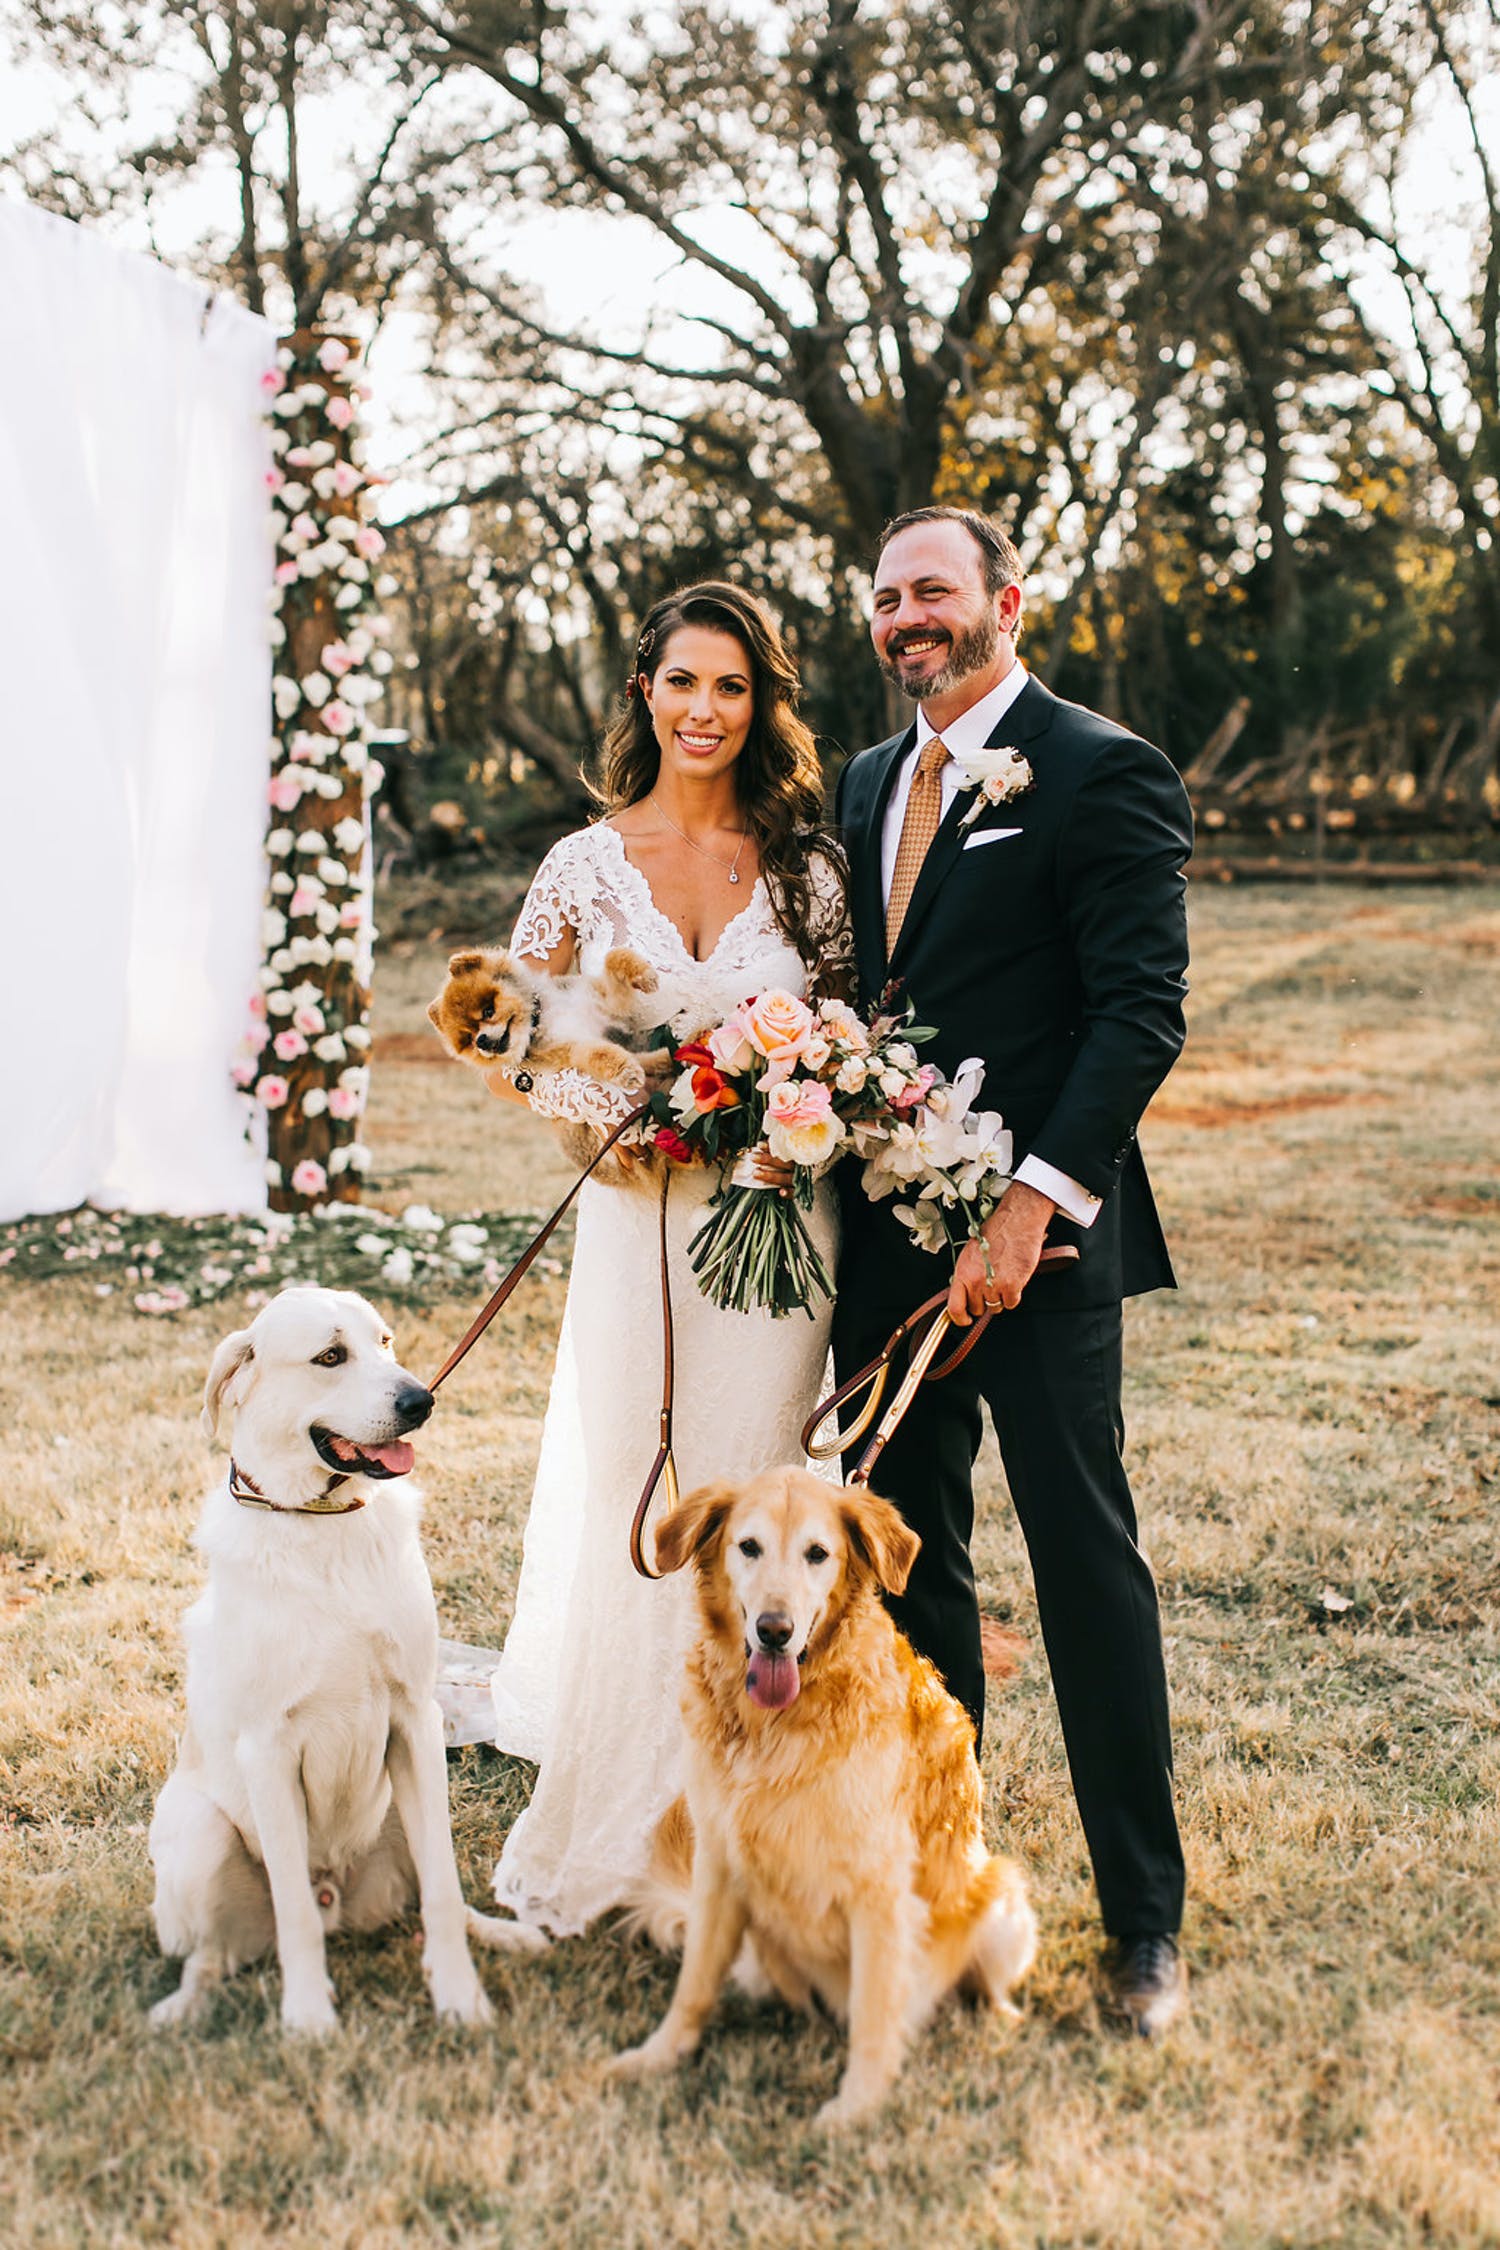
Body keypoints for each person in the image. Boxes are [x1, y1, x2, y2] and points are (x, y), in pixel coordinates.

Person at [832, 506, 1193, 2036]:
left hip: (1039, 1249)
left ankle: (1144, 1929)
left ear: (1004, 603)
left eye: (936, 591)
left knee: (1081, 1562)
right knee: (912, 1573)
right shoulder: (864, 783)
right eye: (889, 596)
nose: (910, 615)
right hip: (883, 1252)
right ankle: (943, 1885)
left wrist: (1033, 1206)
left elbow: (1139, 1012)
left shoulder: (1102, 767)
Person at [482, 582, 849, 1937]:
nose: (707, 710)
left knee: (759, 1499)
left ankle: (755, 1829)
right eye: (683, 683)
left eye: (733, 687)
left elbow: (853, 1025)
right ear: (646, 692)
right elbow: (507, 1028)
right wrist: (601, 1114)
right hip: (637, 1222)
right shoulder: (585, 864)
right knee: (643, 1503)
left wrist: (802, 1087)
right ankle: (628, 1824)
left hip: (776, 1221)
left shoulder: (807, 871)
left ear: (764, 705)